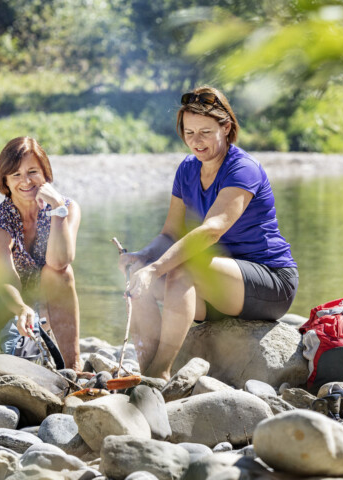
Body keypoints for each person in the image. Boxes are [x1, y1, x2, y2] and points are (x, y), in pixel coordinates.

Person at [119, 86, 298, 381]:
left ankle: (162, 371)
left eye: (205, 132)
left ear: (226, 128)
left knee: (184, 265)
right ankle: (146, 373)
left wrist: (158, 267)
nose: (196, 141)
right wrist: (143, 258)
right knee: (140, 279)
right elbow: (170, 234)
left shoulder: (243, 169)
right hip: (219, 286)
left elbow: (210, 231)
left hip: (270, 282)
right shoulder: (187, 170)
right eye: (189, 133)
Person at [0, 136, 82, 371]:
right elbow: (7, 281)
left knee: (62, 273)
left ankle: (73, 366)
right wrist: (21, 307)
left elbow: (60, 262)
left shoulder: (67, 208)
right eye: (15, 174)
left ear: (46, 173)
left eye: (33, 171)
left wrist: (58, 211)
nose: (25, 181)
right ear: (5, 181)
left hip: (37, 297)